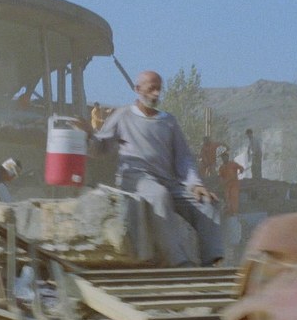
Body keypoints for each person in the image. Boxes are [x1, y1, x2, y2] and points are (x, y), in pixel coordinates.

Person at [78, 70, 223, 267]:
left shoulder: (168, 121)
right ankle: (178, 260)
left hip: (168, 181)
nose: (156, 94)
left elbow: (184, 158)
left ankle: (211, 261)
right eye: (151, 89)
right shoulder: (123, 116)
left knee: (207, 203)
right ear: (138, 89)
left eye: (158, 89)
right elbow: (100, 148)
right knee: (159, 195)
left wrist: (195, 184)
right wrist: (88, 135)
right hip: (135, 179)